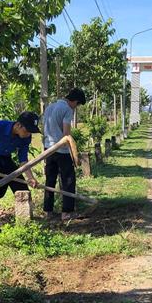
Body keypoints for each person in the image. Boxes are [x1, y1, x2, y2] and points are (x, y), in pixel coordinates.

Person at [0, 111, 40, 231]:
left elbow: (23, 159)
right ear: (18, 125)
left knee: (22, 186)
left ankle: (26, 224)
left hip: (5, 160)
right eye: (27, 130)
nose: (28, 134)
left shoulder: (25, 138)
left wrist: (30, 178)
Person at [42, 88, 86, 221]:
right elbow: (66, 134)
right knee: (68, 180)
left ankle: (48, 211)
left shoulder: (50, 107)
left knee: (50, 180)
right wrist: (74, 154)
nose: (76, 107)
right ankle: (67, 212)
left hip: (48, 149)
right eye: (77, 105)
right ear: (75, 101)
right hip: (61, 150)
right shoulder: (67, 109)